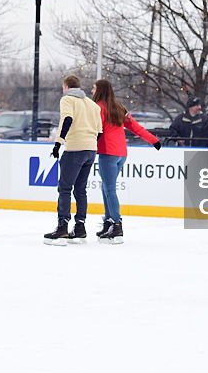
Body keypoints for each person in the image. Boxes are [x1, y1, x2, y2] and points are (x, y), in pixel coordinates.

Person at [92, 79, 161, 243]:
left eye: (93, 89)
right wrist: (154, 140)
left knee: (109, 189)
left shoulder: (99, 108)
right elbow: (135, 127)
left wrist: (89, 145)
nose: (92, 91)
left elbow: (97, 130)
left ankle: (117, 225)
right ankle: (109, 221)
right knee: (106, 187)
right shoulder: (118, 107)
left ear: (100, 90)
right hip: (121, 154)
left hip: (108, 153)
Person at [44, 74, 103, 245]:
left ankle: (62, 227)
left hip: (75, 149)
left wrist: (58, 144)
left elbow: (67, 119)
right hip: (90, 150)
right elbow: (100, 131)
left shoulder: (67, 100)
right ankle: (80, 227)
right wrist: (89, 144)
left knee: (65, 188)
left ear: (66, 86)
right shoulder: (92, 105)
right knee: (80, 189)